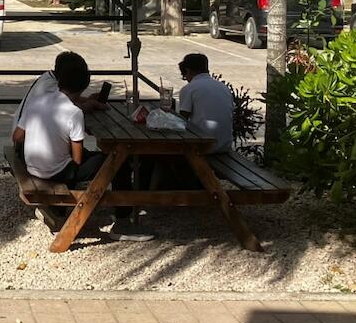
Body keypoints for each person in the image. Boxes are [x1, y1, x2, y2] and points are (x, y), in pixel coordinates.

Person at [12, 51, 150, 241]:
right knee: (118, 162)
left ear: (59, 80)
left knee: (94, 157)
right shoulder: (74, 112)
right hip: (57, 172)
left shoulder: (38, 100)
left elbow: (17, 136)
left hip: (32, 166)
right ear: (83, 85)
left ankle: (110, 210)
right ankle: (123, 222)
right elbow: (76, 160)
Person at [176, 53, 235, 154]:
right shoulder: (223, 87)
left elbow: (182, 120)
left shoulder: (190, 88)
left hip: (203, 145)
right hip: (225, 145)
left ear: (187, 71)